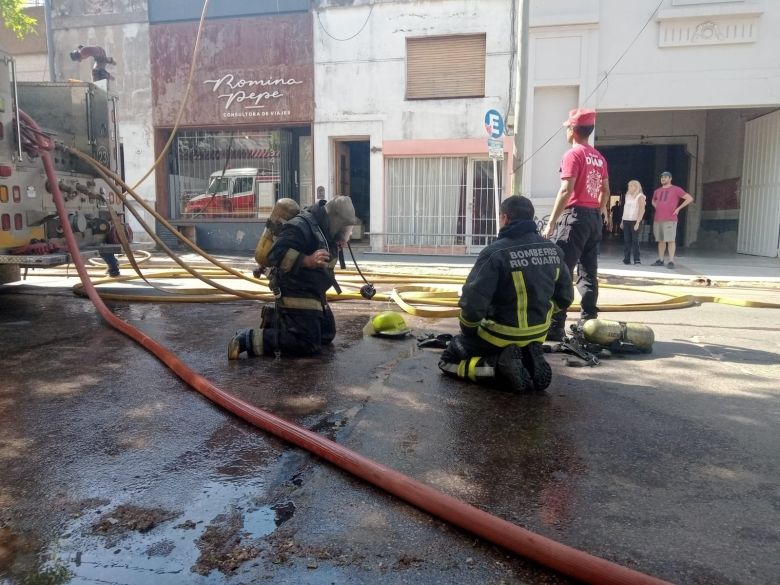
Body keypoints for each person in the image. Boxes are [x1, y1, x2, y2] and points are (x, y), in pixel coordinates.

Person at [438, 195, 573, 393]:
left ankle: (498, 368)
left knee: (448, 359)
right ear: (531, 218)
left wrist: (468, 332)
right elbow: (566, 297)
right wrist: (542, 314)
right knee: (517, 345)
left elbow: (473, 303)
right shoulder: (554, 251)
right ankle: (526, 357)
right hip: (538, 332)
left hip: (498, 334)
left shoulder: (494, 253)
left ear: (505, 218)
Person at [228, 196, 358, 359]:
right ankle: (246, 339)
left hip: (312, 290)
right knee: (306, 343)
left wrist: (335, 246)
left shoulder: (324, 230)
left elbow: (325, 259)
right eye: (345, 228)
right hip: (294, 289)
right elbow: (276, 254)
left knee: (326, 333)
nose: (347, 234)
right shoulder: (300, 226)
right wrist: (307, 260)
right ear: (336, 222)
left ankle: (276, 319)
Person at [542, 108, 610, 342]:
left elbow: (566, 189)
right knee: (588, 271)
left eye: (567, 128)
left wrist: (551, 223)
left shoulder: (573, 155)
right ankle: (589, 323)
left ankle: (555, 326)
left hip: (574, 217)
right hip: (592, 217)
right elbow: (606, 191)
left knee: (561, 271)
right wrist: (598, 214)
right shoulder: (599, 157)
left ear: (572, 130)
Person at [651, 171, 693, 269]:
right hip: (658, 218)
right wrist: (656, 206)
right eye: (662, 177)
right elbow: (653, 200)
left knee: (670, 240)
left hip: (670, 218)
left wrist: (678, 208)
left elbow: (689, 198)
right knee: (660, 240)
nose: (663, 179)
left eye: (665, 177)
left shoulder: (676, 189)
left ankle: (671, 261)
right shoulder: (657, 191)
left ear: (670, 179)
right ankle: (661, 260)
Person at [621, 180, 646, 265]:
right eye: (629, 186)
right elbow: (625, 209)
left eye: (631, 186)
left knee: (635, 241)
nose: (629, 187)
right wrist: (622, 221)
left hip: (635, 220)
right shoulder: (627, 196)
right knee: (626, 240)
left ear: (636, 187)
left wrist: (638, 222)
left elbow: (642, 210)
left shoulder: (640, 196)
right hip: (626, 220)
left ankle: (637, 259)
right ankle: (626, 259)